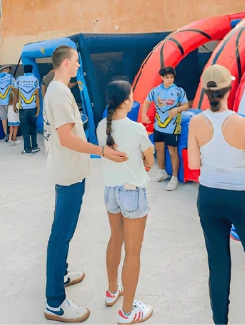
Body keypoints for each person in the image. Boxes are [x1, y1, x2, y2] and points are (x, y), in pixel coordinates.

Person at [188, 64, 245, 325]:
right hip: (242, 198)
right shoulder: (243, 124)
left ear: (207, 93)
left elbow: (194, 165)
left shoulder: (196, 121)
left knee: (217, 267)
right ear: (230, 89)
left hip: (209, 197)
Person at [41, 45, 128, 323]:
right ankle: (55, 302)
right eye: (77, 62)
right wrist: (101, 151)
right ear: (66, 63)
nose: (79, 66)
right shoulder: (58, 93)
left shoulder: (58, 91)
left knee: (62, 230)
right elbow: (66, 138)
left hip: (67, 169)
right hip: (68, 173)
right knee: (61, 233)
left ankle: (60, 273)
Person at [97, 80, 155, 324]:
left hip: (110, 190)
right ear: (127, 101)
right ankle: (128, 312)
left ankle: (112, 291)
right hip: (132, 192)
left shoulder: (102, 126)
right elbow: (149, 161)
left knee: (115, 239)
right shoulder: (137, 128)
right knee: (133, 253)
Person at [141, 66, 189, 191]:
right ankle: (162, 172)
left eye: (171, 77)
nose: (170, 80)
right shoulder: (155, 91)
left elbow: (186, 105)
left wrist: (176, 109)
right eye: (167, 77)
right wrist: (144, 114)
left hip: (173, 127)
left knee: (172, 151)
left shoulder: (179, 91)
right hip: (159, 126)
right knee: (159, 149)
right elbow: (146, 101)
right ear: (162, 78)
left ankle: (174, 178)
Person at [16, 64, 41, 156]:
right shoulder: (35, 80)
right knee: (33, 128)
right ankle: (35, 146)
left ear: (24, 70)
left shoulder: (19, 79)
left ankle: (27, 149)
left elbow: (16, 94)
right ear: (32, 70)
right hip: (33, 107)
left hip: (22, 108)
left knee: (25, 129)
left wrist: (15, 105)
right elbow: (37, 95)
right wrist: (38, 108)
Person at [0, 65, 17, 142]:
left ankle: (5, 134)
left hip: (1, 100)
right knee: (11, 117)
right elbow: (14, 88)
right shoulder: (10, 77)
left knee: (3, 117)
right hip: (9, 101)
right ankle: (11, 135)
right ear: (6, 69)